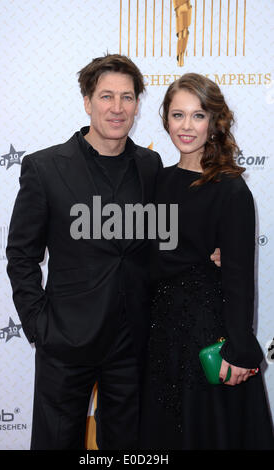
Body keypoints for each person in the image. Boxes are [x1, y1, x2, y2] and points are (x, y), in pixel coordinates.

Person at [6, 54, 220, 450]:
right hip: (66, 340)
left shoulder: (150, 165)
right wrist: (39, 325)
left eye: (127, 97)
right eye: (106, 96)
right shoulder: (45, 168)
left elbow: (164, 236)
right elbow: (21, 254)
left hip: (133, 341)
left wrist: (209, 248)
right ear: (88, 101)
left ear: (138, 104)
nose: (117, 108)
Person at [139, 73, 274, 450]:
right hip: (158, 333)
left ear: (214, 122)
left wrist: (240, 349)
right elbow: (144, 257)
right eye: (178, 115)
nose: (186, 126)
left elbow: (240, 279)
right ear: (165, 119)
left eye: (198, 116)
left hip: (207, 332)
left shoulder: (231, 189)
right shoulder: (155, 181)